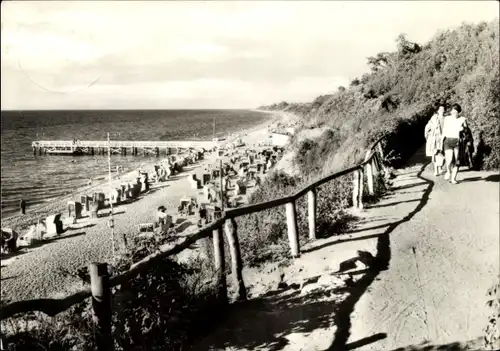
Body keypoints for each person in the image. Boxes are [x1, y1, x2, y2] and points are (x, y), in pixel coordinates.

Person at [442, 103, 468, 184]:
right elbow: (444, 130)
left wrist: (463, 128)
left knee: (457, 161)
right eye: (452, 112)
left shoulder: (463, 119)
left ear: (459, 112)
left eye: (456, 112)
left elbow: (467, 131)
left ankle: (453, 179)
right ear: (450, 112)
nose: (454, 114)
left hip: (458, 142)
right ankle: (448, 172)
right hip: (448, 141)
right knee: (449, 160)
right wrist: (440, 141)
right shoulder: (447, 118)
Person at [425, 103, 445, 176]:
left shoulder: (446, 118)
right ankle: (436, 170)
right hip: (435, 139)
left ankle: (440, 168)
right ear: (437, 110)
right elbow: (428, 127)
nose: (442, 110)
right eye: (440, 109)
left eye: (443, 109)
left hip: (443, 139)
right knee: (435, 154)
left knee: (442, 154)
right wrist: (427, 136)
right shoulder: (434, 118)